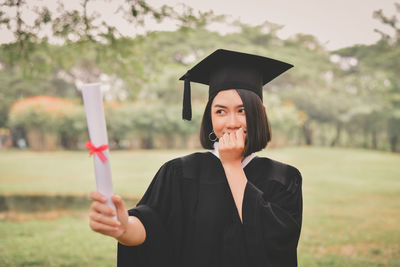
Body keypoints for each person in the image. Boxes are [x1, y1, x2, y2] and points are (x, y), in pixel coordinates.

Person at [89, 49, 303, 267]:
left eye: (242, 110)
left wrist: (231, 165)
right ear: (209, 116)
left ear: (261, 112)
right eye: (220, 111)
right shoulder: (179, 172)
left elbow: (275, 245)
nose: (232, 122)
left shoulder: (285, 178)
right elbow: (152, 227)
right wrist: (123, 228)